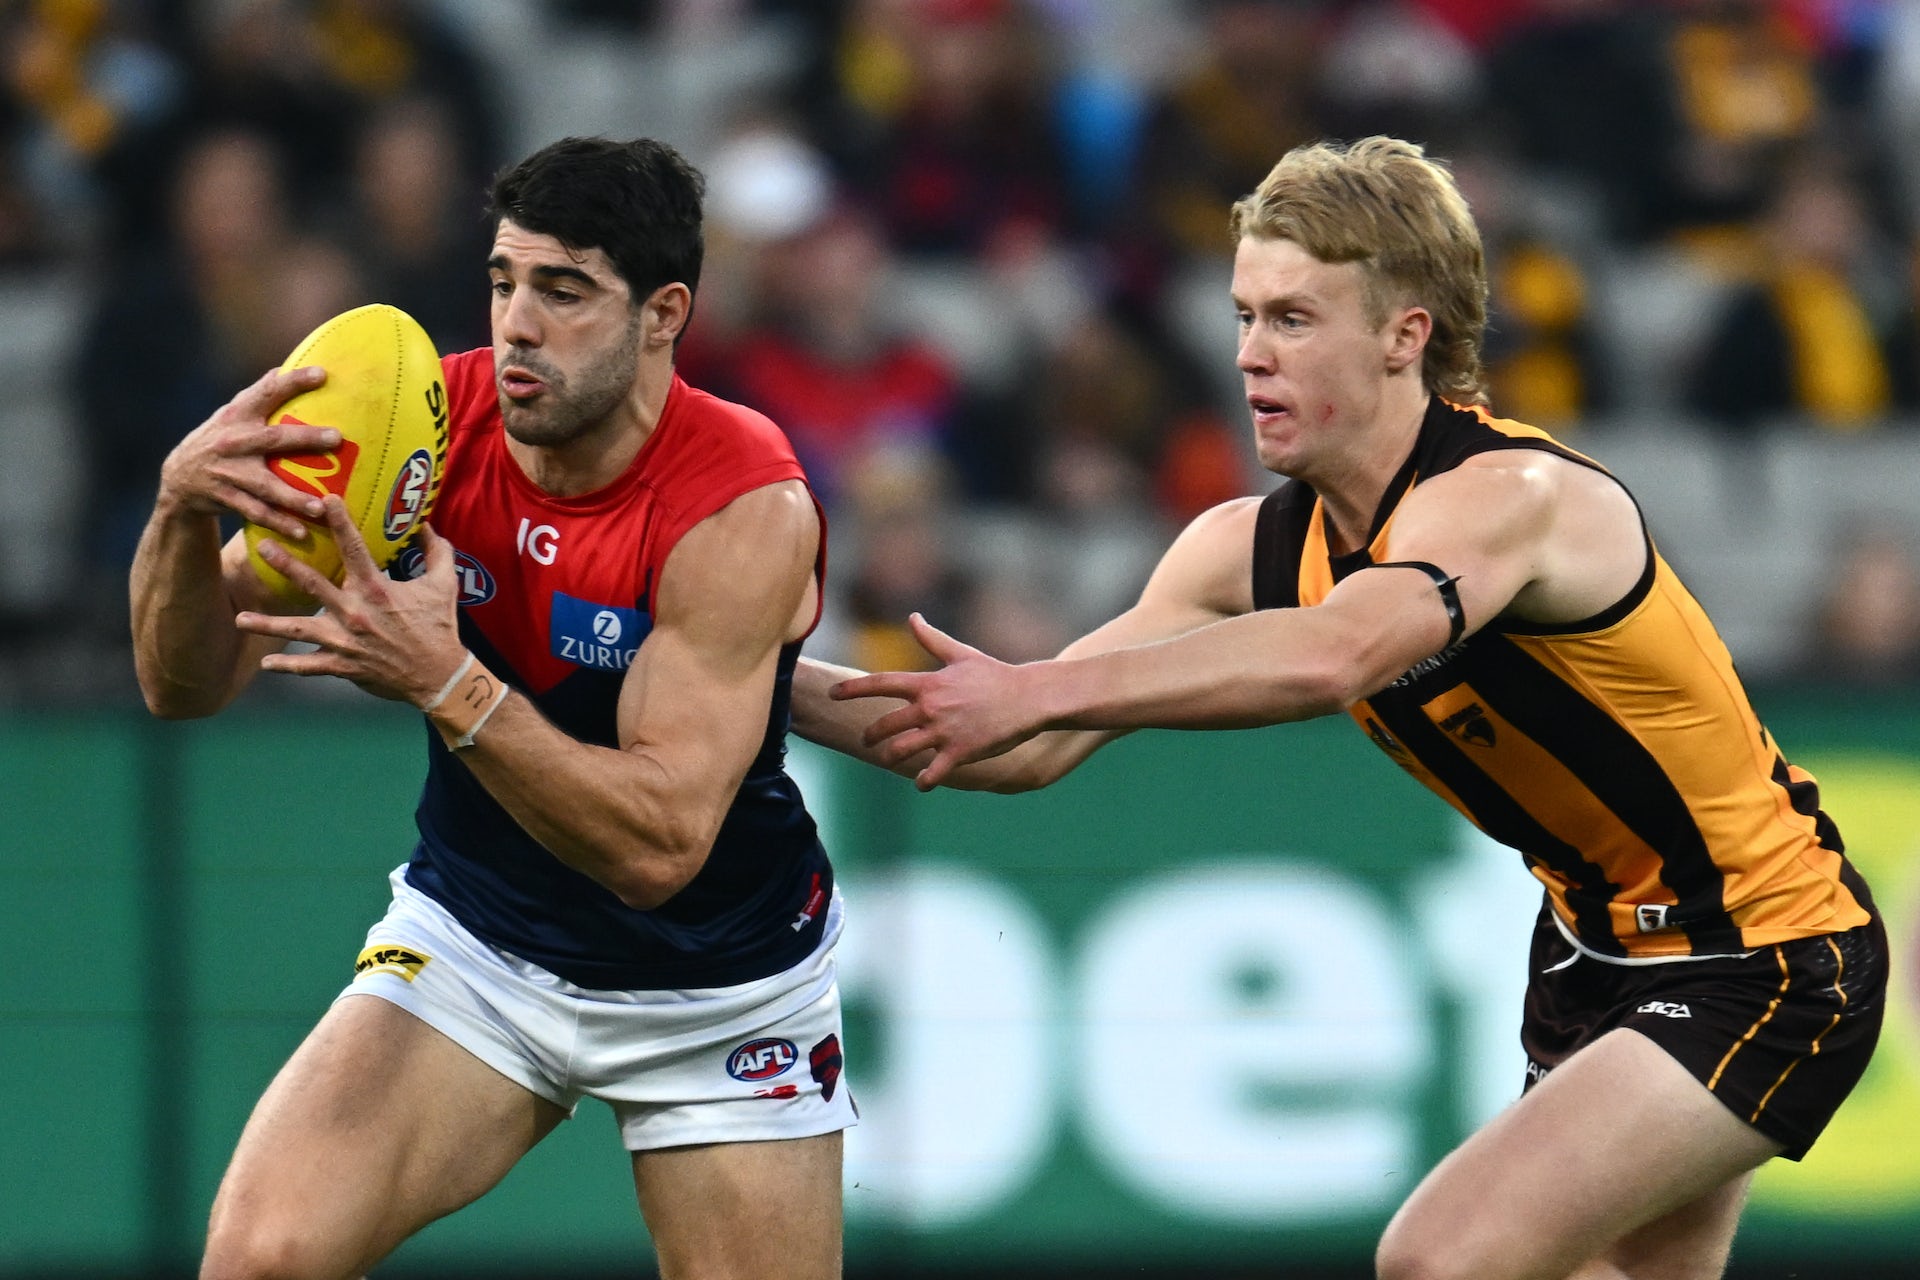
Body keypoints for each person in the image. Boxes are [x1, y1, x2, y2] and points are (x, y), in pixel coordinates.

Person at [794, 136, 1888, 1280]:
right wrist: (752, 682)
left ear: (1406, 335)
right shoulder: (1240, 548)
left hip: (1766, 949)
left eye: (1294, 320)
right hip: (1592, 953)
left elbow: (1337, 653)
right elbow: (1015, 750)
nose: (1249, 356)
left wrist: (1036, 682)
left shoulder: (1514, 497)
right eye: (1243, 315)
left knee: (1438, 1257)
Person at [130, 136, 851, 1280]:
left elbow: (659, 844)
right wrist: (177, 513)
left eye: (564, 291)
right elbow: (181, 683)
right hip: (480, 946)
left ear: (663, 313)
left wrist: (446, 682)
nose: (517, 323)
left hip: (720, 991)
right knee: (260, 1260)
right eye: (506, 282)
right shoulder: (420, 426)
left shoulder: (741, 503)